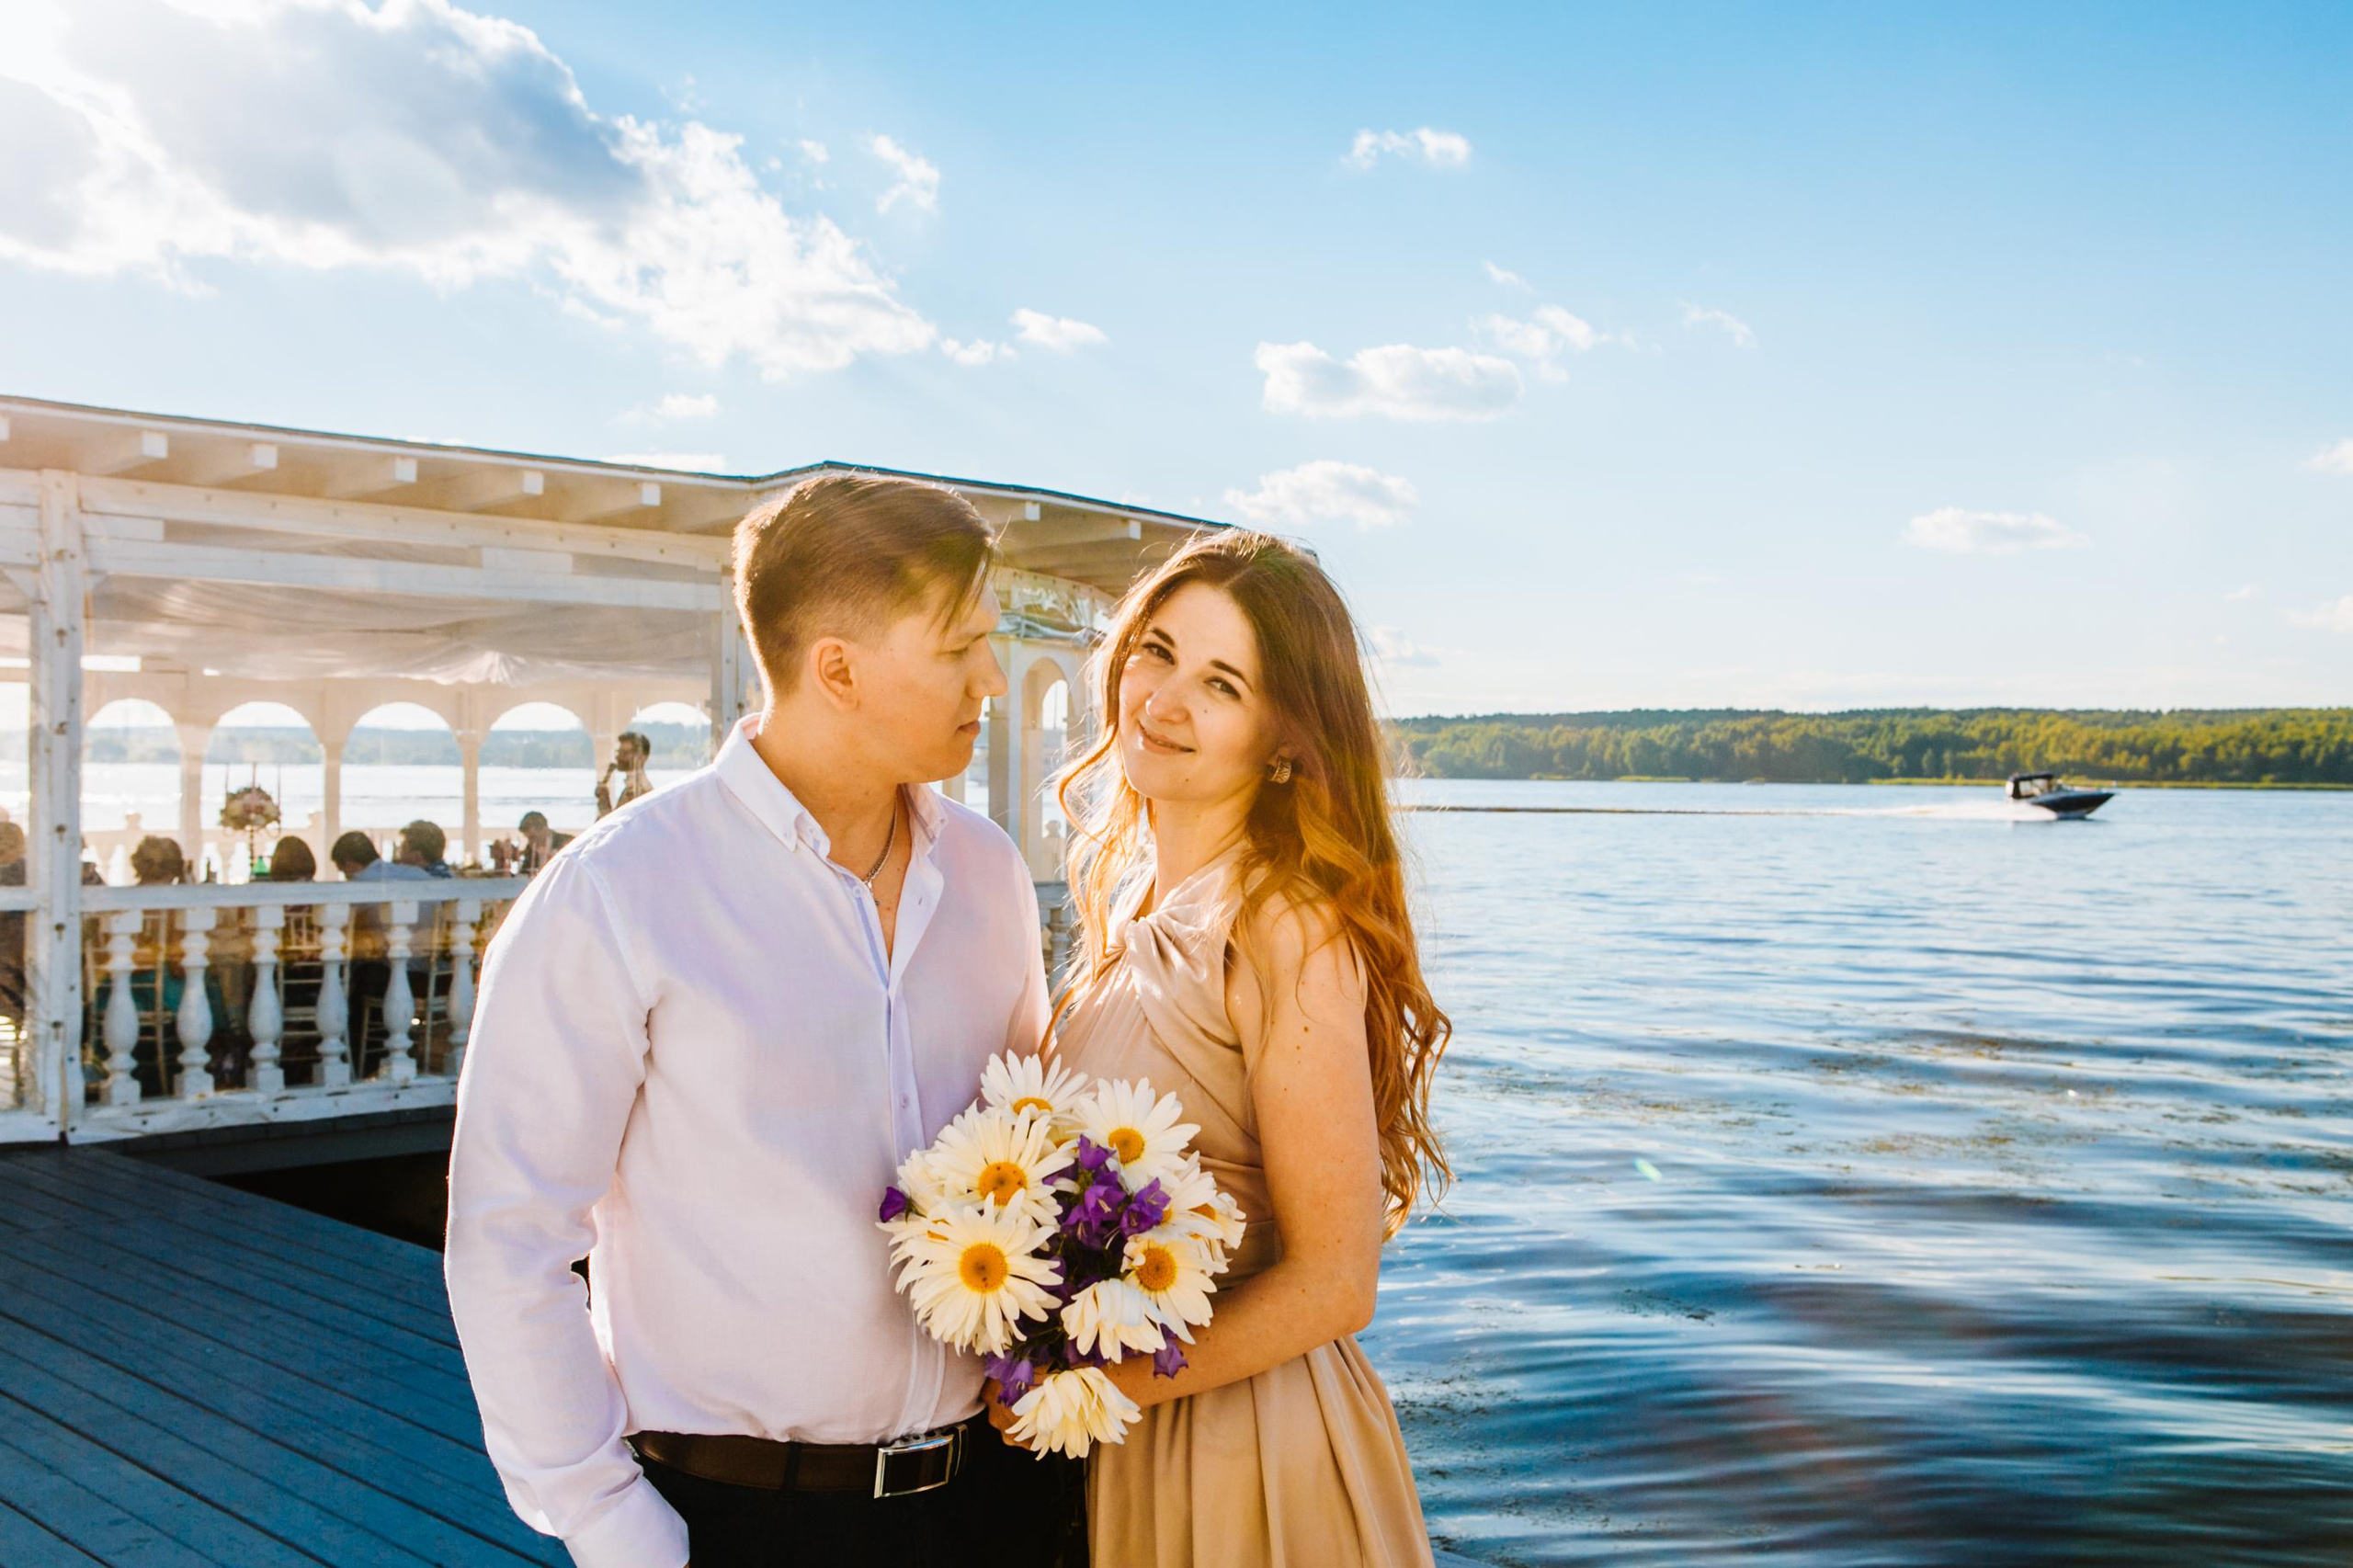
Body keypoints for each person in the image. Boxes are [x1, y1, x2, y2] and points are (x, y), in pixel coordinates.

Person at [445, 474, 1080, 1568]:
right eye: (958, 645)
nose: (990, 676)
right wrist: (612, 1525)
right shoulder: (618, 889)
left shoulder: (991, 872)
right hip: (737, 1521)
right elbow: (509, 1236)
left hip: (998, 1500)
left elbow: (1035, 1152)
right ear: (836, 667)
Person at [1009, 530, 1451, 1568]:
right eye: (1155, 651)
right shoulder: (1131, 906)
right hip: (1126, 1430)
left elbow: (1337, 1279)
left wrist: (1085, 1386)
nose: (1161, 700)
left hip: (1245, 1447)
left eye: (1219, 683)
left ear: (1285, 736)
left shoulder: (1279, 922)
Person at [595, 731, 654, 818]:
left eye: (625, 753)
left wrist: (604, 801)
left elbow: (614, 826)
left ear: (642, 757)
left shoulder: (639, 789)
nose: (618, 757)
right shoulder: (632, 787)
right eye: (618, 752)